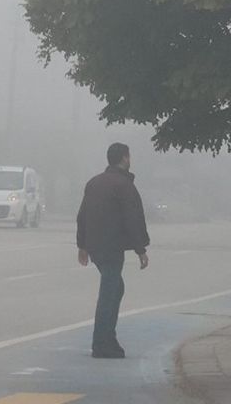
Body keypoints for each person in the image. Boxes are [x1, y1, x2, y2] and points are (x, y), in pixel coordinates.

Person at [76, 142, 150, 359]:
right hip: (112, 245)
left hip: (96, 246)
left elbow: (82, 215)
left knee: (115, 288)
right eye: (129, 156)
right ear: (125, 158)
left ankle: (109, 338)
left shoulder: (94, 183)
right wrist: (141, 249)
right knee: (110, 291)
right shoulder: (125, 186)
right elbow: (133, 218)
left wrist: (82, 245)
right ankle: (102, 342)